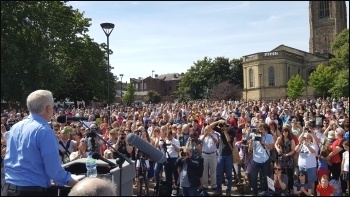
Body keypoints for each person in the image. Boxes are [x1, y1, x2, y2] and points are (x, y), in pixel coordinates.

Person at [2, 90, 78, 196]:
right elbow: (54, 171)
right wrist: (79, 184)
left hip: (8, 189)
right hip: (31, 192)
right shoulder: (44, 130)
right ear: (48, 108)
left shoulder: (15, 127)